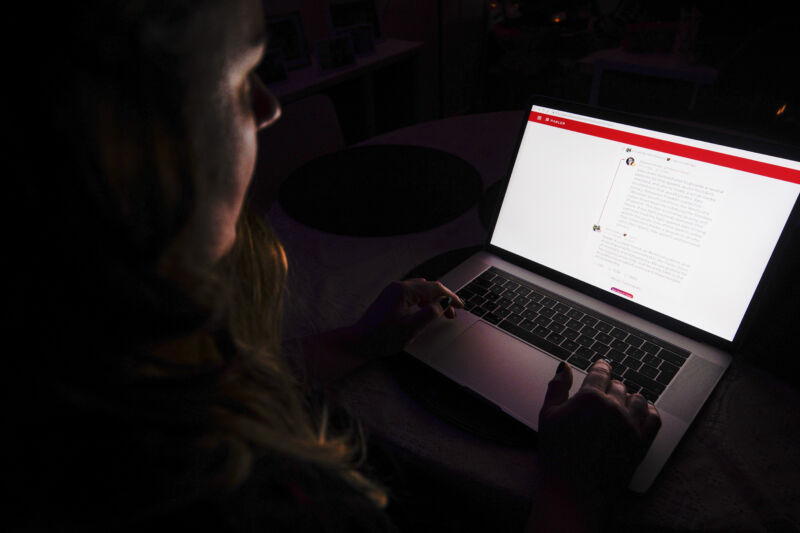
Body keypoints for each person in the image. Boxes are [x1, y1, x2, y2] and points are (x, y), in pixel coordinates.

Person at [7, 1, 660, 531]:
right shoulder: (208, 487)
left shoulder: (90, 350)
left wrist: (350, 340)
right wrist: (569, 501)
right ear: (133, 146)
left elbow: (226, 373)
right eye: (238, 79)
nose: (268, 107)